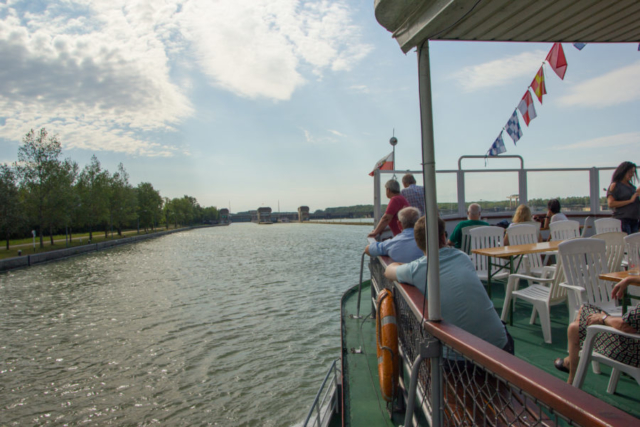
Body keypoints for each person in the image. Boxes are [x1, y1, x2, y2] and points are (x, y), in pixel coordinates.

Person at [384, 216, 513, 354]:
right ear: (443, 237)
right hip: (501, 347)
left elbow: (388, 270)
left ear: (418, 242)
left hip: (458, 359)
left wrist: (406, 266)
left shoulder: (415, 270)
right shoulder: (462, 257)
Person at [554, 276, 640, 384]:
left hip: (631, 351)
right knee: (584, 311)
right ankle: (571, 362)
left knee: (574, 328)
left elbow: (626, 326)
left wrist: (603, 318)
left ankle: (571, 377)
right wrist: (629, 279)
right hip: (633, 343)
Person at [607, 161, 640, 235]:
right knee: (626, 243)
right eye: (630, 172)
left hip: (634, 220)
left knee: (634, 244)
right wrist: (630, 201)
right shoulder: (615, 185)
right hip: (623, 220)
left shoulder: (632, 187)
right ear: (623, 171)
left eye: (633, 172)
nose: (631, 175)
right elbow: (611, 203)